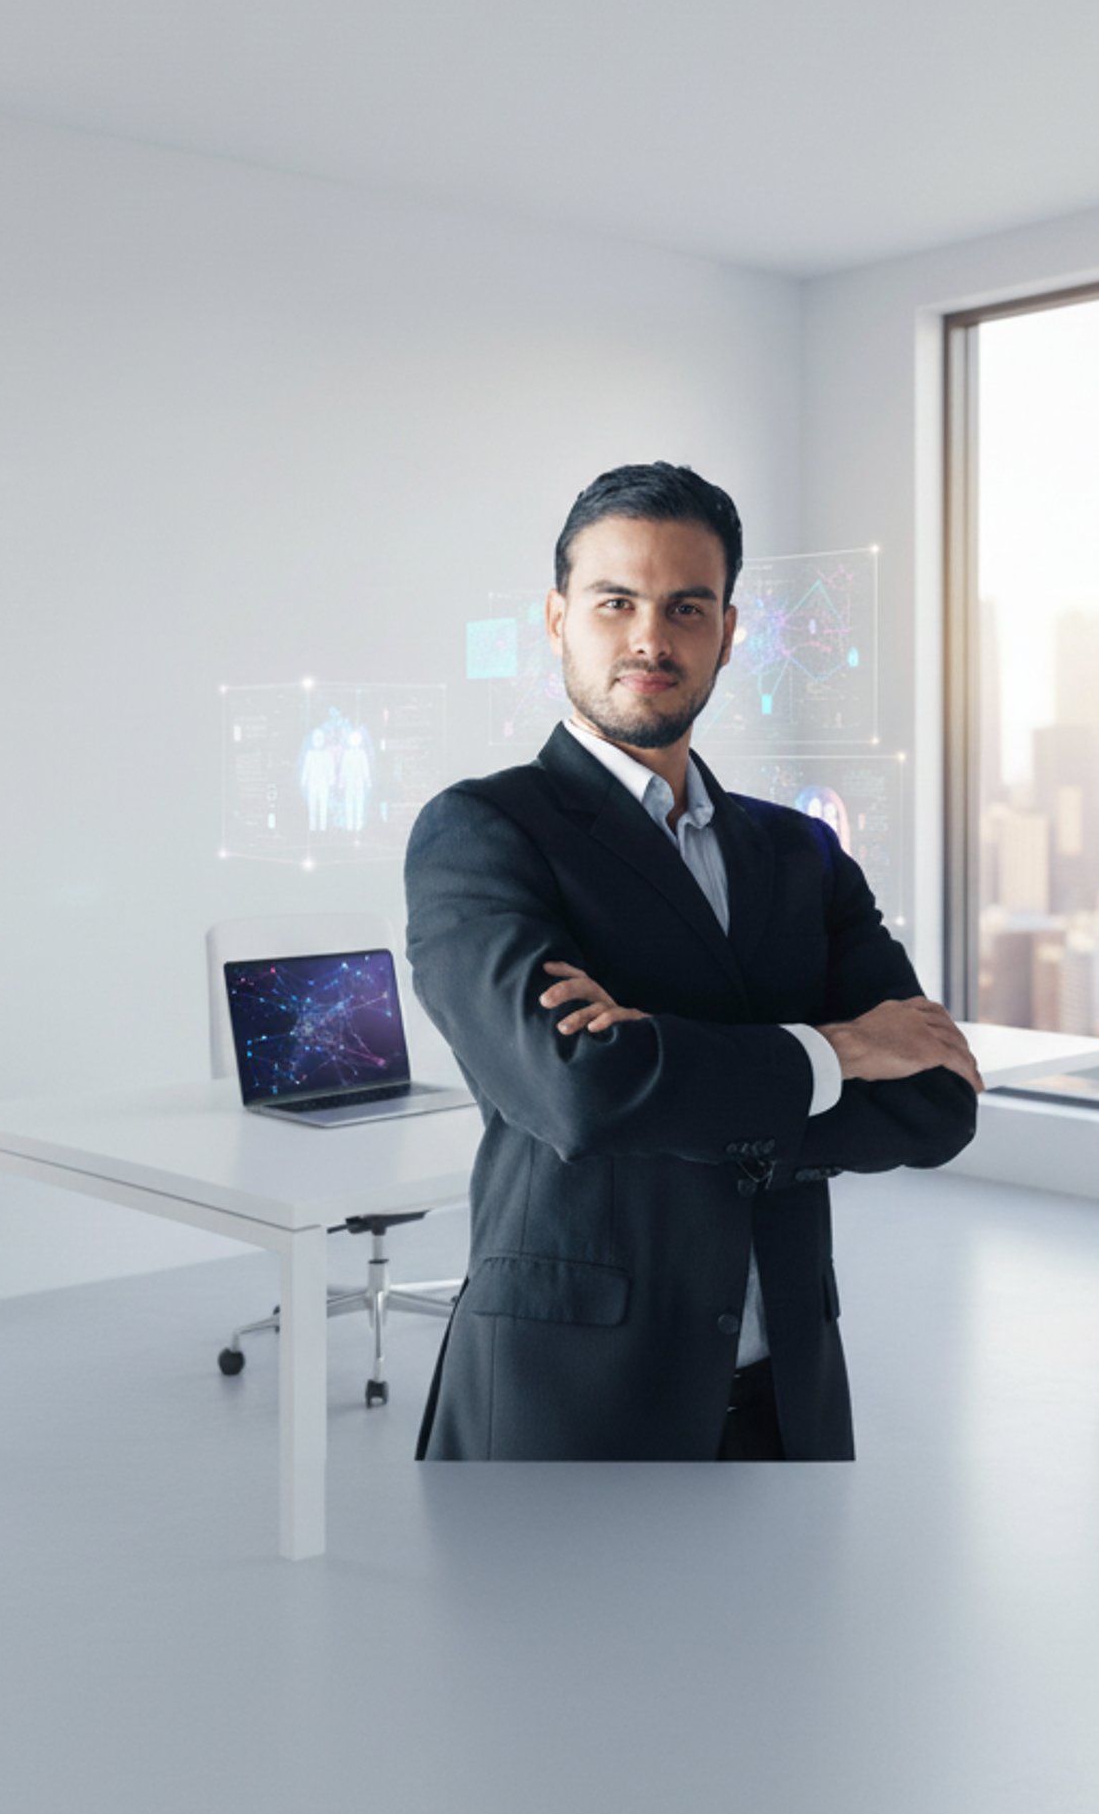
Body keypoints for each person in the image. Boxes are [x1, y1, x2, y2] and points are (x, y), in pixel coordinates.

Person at [403, 462, 982, 1461]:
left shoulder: (800, 853)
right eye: (615, 601)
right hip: (570, 1390)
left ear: (729, 629)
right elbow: (576, 1092)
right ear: (556, 617)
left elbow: (934, 1098)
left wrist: (664, 1070)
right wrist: (839, 1051)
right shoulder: (484, 831)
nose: (649, 637)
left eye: (686, 606)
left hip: (787, 1392)